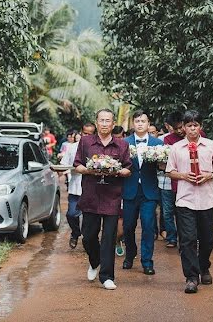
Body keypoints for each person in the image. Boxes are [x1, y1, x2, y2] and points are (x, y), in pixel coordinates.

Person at [166, 110, 213, 294]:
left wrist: (210, 175)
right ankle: (191, 277)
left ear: (201, 126)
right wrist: (184, 175)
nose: (192, 129)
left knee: (208, 240)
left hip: (207, 199)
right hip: (185, 199)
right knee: (188, 240)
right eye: (189, 126)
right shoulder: (176, 148)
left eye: (196, 125)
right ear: (183, 128)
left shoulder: (211, 146)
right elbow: (170, 171)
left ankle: (204, 266)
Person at [73, 108, 132, 290]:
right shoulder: (86, 142)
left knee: (109, 238)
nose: (105, 124)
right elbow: (77, 165)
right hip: (91, 194)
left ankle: (107, 277)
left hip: (112, 196)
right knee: (88, 237)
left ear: (113, 124)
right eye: (102, 120)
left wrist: (116, 170)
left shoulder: (122, 146)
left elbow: (128, 169)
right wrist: (90, 169)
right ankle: (95, 260)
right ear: (96, 122)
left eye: (108, 121)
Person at [121, 110, 163, 275]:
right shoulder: (124, 143)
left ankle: (147, 262)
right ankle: (130, 255)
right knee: (128, 226)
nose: (140, 124)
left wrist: (162, 162)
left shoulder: (157, 143)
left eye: (143, 121)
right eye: (137, 121)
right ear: (133, 124)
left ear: (148, 123)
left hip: (149, 191)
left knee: (148, 226)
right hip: (130, 190)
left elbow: (163, 165)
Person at [159, 112, 186, 247]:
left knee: (183, 211)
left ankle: (186, 237)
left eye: (181, 127)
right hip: (168, 182)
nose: (180, 131)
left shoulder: (195, 136)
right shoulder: (167, 139)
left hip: (187, 182)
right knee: (168, 211)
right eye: (176, 128)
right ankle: (172, 237)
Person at [60, 132, 83, 249]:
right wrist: (61, 170)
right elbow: (64, 164)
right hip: (75, 187)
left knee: (91, 218)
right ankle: (75, 232)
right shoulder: (72, 147)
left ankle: (90, 239)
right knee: (71, 214)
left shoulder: (97, 148)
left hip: (92, 189)